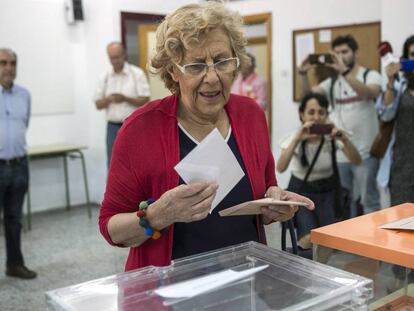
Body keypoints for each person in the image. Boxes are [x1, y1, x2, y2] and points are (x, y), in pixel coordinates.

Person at [99, 2, 314, 271]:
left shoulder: (251, 116)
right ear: (173, 71)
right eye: (196, 66)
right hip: (169, 291)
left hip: (246, 280)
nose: (212, 77)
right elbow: (110, 226)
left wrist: (274, 205)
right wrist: (156, 216)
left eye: (222, 61)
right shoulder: (140, 130)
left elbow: (265, 189)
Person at [299, 35, 382, 217]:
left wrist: (344, 71)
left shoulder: (370, 75)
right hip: (342, 154)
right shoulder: (333, 82)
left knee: (369, 202)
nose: (340, 56)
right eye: (336, 53)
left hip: (367, 153)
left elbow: (369, 93)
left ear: (355, 53)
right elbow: (309, 98)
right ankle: (352, 243)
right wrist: (303, 74)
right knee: (345, 202)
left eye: (344, 52)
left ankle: (371, 243)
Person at [277, 93, 361, 249]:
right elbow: (280, 168)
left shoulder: (331, 138)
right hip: (302, 193)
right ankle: (303, 267)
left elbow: (357, 160)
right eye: (311, 112)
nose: (316, 117)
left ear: (327, 115)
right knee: (308, 239)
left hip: (327, 192)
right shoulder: (293, 137)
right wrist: (297, 139)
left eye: (321, 112)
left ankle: (321, 270)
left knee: (328, 240)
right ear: (302, 115)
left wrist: (343, 138)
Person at [0, 48, 36, 279]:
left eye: (13, 62)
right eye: (3, 62)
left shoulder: (25, 94)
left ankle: (14, 265)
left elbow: (25, 124)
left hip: (19, 165)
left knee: (14, 219)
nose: (9, 67)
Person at [94, 42, 150, 166]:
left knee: (137, 161)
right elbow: (98, 104)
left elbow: (145, 99)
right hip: (112, 127)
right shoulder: (104, 77)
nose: (115, 61)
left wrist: (125, 99)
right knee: (113, 163)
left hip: (133, 125)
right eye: (112, 58)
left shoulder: (137, 74)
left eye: (117, 57)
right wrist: (108, 99)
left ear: (124, 55)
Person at [376, 35, 414, 206]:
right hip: (402, 167)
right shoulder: (399, 87)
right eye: (413, 55)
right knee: (402, 223)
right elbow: (385, 114)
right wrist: (391, 80)